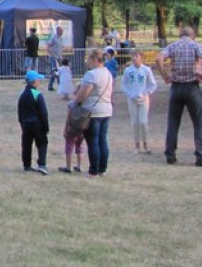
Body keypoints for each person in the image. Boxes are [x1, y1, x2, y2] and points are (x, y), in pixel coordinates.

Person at [155, 26, 202, 167]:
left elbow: (159, 59)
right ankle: (200, 155)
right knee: (199, 122)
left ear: (180, 34)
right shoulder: (196, 46)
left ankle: (170, 154)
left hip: (176, 87)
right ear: (193, 35)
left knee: (173, 122)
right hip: (192, 86)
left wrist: (165, 75)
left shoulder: (173, 45)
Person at [73, 48, 114, 178]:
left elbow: (84, 93)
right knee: (103, 140)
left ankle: (93, 170)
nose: (88, 62)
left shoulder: (92, 75)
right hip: (106, 110)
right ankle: (102, 169)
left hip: (93, 111)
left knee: (93, 142)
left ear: (95, 60)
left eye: (89, 59)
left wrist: (76, 100)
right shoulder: (108, 73)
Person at [122, 50, 157, 154]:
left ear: (141, 58)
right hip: (132, 99)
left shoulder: (146, 70)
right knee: (135, 122)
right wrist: (129, 93)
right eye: (133, 56)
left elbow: (153, 84)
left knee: (143, 122)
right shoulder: (128, 70)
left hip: (143, 100)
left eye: (136, 56)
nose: (134, 58)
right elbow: (124, 84)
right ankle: (137, 145)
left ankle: (145, 143)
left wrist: (146, 93)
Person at [18, 70, 50, 175]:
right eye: (38, 79)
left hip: (26, 125)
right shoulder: (37, 94)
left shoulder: (22, 95)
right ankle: (42, 164)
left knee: (26, 145)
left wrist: (22, 123)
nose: (39, 81)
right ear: (34, 82)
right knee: (42, 143)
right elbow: (43, 112)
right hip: (38, 125)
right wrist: (46, 126)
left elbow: (19, 111)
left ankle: (27, 165)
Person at [57, 97, 85, 174]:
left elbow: (68, 118)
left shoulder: (71, 104)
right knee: (80, 146)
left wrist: (66, 129)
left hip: (72, 128)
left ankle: (68, 167)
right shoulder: (87, 104)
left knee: (69, 147)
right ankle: (79, 166)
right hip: (82, 129)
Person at [46, 26, 65, 91]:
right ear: (57, 31)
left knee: (58, 72)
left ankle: (53, 86)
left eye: (62, 31)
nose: (62, 32)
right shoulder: (53, 38)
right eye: (61, 31)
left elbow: (61, 47)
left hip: (59, 57)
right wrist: (51, 55)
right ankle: (56, 85)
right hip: (54, 57)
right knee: (55, 72)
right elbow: (48, 46)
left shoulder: (61, 38)